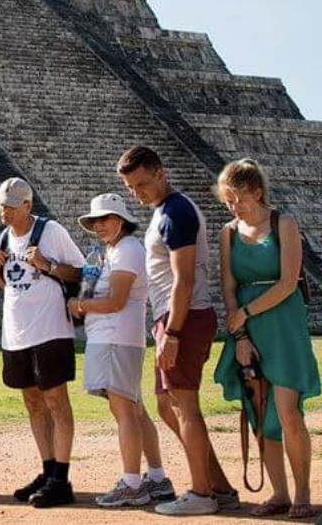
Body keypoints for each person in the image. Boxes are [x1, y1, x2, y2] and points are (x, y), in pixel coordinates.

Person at [116, 146, 239, 516]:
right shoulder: (163, 212)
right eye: (130, 187)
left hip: (183, 317)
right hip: (171, 318)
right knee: (167, 406)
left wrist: (173, 332)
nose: (137, 193)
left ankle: (202, 493)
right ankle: (218, 486)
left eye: (141, 184)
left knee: (185, 406)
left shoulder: (177, 212)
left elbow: (184, 281)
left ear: (160, 172)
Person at [212, 159, 319, 519]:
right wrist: (240, 334)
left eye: (237, 197)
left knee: (288, 412)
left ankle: (303, 492)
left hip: (284, 324)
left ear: (257, 191)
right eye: (228, 200)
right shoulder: (227, 232)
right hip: (248, 328)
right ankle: (280, 493)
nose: (233, 206)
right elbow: (228, 286)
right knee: (260, 412)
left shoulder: (284, 223)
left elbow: (289, 281)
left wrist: (246, 312)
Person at [69, 193, 175, 507]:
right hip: (117, 338)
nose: (100, 225)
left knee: (124, 411)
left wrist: (80, 305)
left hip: (115, 338)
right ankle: (156, 477)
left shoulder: (127, 250)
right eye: (95, 220)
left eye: (106, 218)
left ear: (122, 220)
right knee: (135, 409)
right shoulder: (116, 251)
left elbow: (116, 301)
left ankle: (132, 481)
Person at [0, 177, 84, 508]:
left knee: (56, 399)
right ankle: (47, 469)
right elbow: (13, 289)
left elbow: (81, 272)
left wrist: (48, 265)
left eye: (11, 205)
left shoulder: (51, 231)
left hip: (50, 329)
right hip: (18, 333)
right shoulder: (4, 238)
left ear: (27, 205)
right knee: (31, 400)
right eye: (2, 204)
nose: (4, 210)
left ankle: (61, 477)